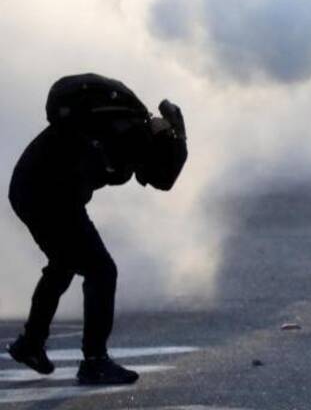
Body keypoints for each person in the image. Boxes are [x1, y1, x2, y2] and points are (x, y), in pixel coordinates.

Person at [5, 73, 187, 385]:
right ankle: (94, 360)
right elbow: (160, 179)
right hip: (48, 195)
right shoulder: (132, 134)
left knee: (64, 263)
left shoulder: (125, 126)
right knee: (102, 271)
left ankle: (31, 344)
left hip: (35, 189)